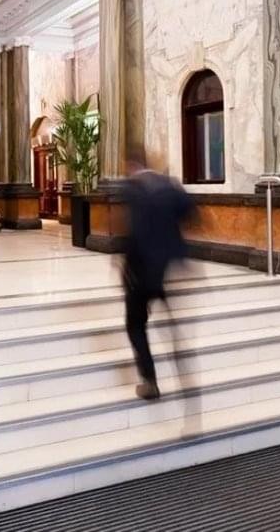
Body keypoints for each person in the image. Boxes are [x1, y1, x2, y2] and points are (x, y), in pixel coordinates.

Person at [121, 154, 193, 401]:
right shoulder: (167, 183)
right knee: (171, 329)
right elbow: (189, 211)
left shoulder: (135, 189)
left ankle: (149, 380)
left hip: (141, 272)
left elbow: (135, 233)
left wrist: (126, 268)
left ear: (131, 165)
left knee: (135, 325)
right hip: (166, 269)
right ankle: (185, 379)